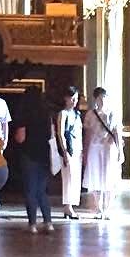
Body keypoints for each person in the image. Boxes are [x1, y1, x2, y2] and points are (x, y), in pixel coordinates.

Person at [13, 88, 55, 232]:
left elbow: (21, 138)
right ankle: (48, 222)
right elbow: (51, 135)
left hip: (28, 154)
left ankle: (32, 224)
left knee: (30, 190)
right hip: (44, 155)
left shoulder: (24, 115)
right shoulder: (46, 114)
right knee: (42, 190)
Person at [81, 85, 123, 220]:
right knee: (96, 176)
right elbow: (87, 134)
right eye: (100, 98)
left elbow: (117, 132)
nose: (102, 100)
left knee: (109, 176)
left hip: (109, 147)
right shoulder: (90, 114)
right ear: (95, 99)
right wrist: (85, 151)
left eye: (104, 97)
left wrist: (120, 151)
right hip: (94, 147)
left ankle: (107, 208)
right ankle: (99, 208)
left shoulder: (112, 113)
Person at [56, 84, 82, 219]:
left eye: (76, 98)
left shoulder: (77, 114)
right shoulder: (63, 114)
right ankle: (68, 206)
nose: (74, 101)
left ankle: (71, 204)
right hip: (68, 150)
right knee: (69, 178)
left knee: (75, 178)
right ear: (66, 98)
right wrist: (65, 152)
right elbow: (60, 133)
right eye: (72, 98)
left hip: (78, 150)